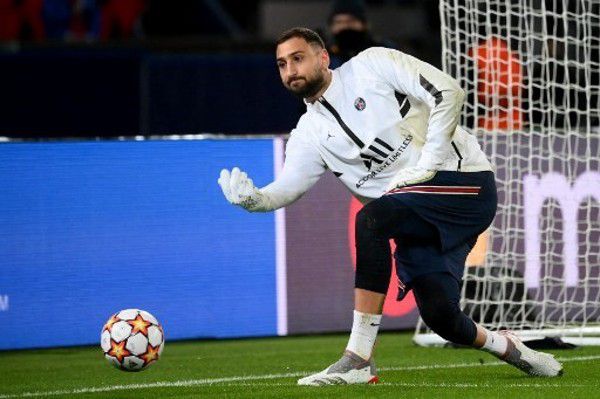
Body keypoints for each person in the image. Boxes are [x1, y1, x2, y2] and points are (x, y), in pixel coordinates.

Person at [217, 27, 563, 385]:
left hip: (462, 183)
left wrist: (429, 162)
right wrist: (254, 200)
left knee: (370, 221)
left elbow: (449, 91)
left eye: (298, 58)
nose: (290, 70)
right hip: (412, 212)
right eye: (281, 64)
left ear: (323, 57)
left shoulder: (372, 65)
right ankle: (514, 350)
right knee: (443, 318)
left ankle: (358, 359)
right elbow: (288, 188)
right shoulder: (308, 132)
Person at [326, 0, 394, 65]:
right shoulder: (325, 56)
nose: (345, 26)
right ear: (331, 26)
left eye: (351, 21)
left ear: (364, 24)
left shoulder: (383, 52)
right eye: (339, 22)